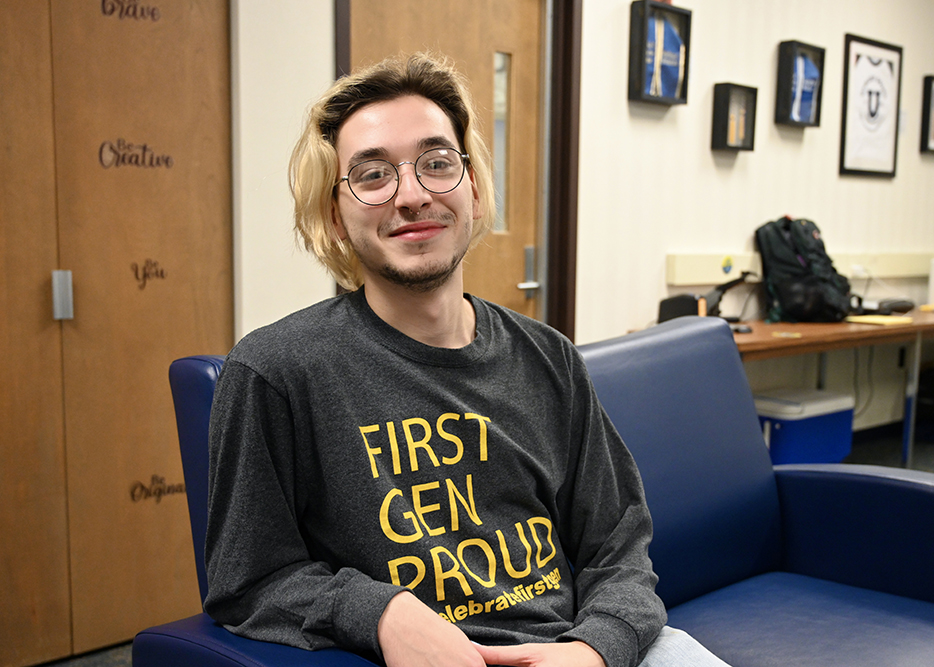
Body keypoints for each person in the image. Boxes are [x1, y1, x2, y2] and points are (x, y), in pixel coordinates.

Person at [204, 53, 729, 667]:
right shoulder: (275, 373)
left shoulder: (549, 358)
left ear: (473, 189)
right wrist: (382, 613)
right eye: (372, 175)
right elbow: (246, 582)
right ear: (333, 216)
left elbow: (618, 545)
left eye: (436, 164)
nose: (411, 195)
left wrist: (597, 647)